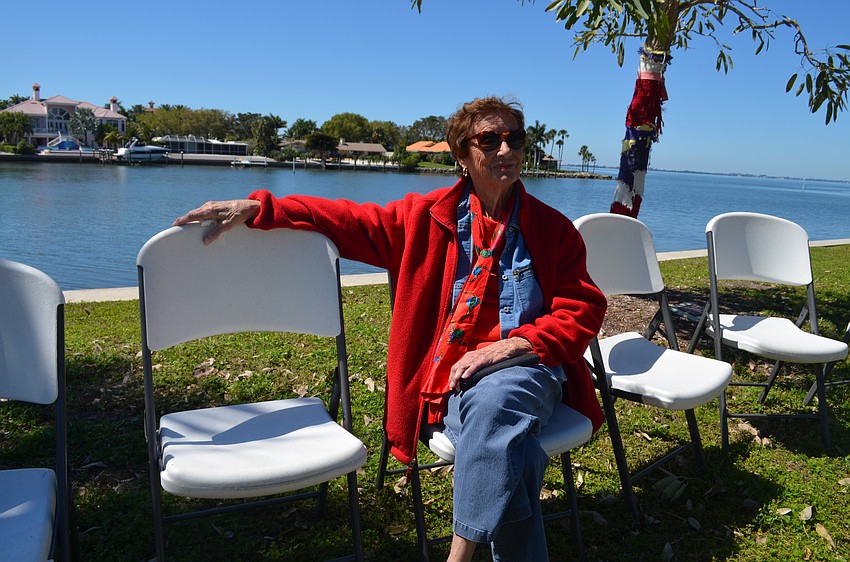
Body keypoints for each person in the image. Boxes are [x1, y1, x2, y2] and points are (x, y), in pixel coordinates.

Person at [173, 96, 607, 561]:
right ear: (462, 155)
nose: (506, 149)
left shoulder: (553, 229)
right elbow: (342, 219)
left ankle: (459, 554)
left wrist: (517, 343)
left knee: (501, 402)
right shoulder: (423, 218)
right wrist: (260, 206)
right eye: (490, 139)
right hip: (453, 381)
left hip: (528, 367)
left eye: (514, 138)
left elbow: (583, 306)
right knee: (507, 443)